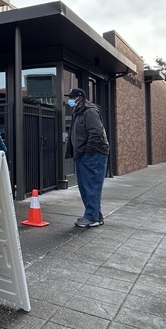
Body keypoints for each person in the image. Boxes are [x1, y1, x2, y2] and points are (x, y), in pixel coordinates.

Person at [65, 87, 109, 228]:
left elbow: (96, 132)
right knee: (86, 186)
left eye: (73, 97)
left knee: (91, 186)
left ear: (80, 98)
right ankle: (96, 215)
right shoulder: (78, 112)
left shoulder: (90, 111)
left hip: (92, 154)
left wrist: (88, 152)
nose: (70, 100)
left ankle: (91, 217)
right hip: (83, 154)